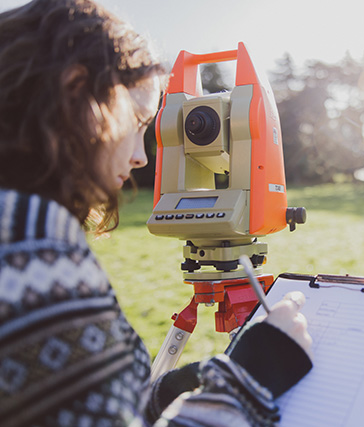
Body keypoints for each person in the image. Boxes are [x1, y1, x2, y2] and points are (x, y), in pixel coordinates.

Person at [0, 1, 312, 426]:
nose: (141, 158)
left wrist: (161, 395)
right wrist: (251, 377)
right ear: (77, 94)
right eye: (141, 121)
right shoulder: (34, 249)